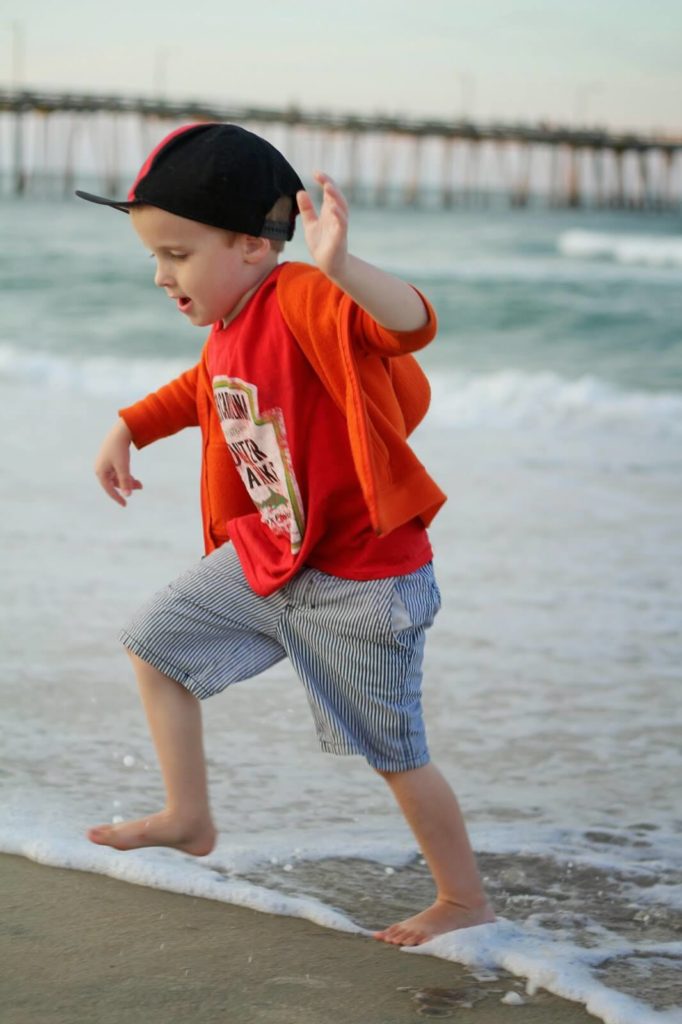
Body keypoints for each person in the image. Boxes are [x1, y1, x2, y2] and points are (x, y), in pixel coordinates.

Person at [76, 123, 495, 946]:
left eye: (177, 253)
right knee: (153, 642)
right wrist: (128, 426)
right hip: (271, 558)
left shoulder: (302, 295)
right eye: (153, 257)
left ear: (251, 246)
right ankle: (189, 815)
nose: (162, 276)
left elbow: (409, 327)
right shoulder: (230, 326)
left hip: (360, 579)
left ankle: (464, 899)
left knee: (396, 751)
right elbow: (200, 388)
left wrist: (343, 268)